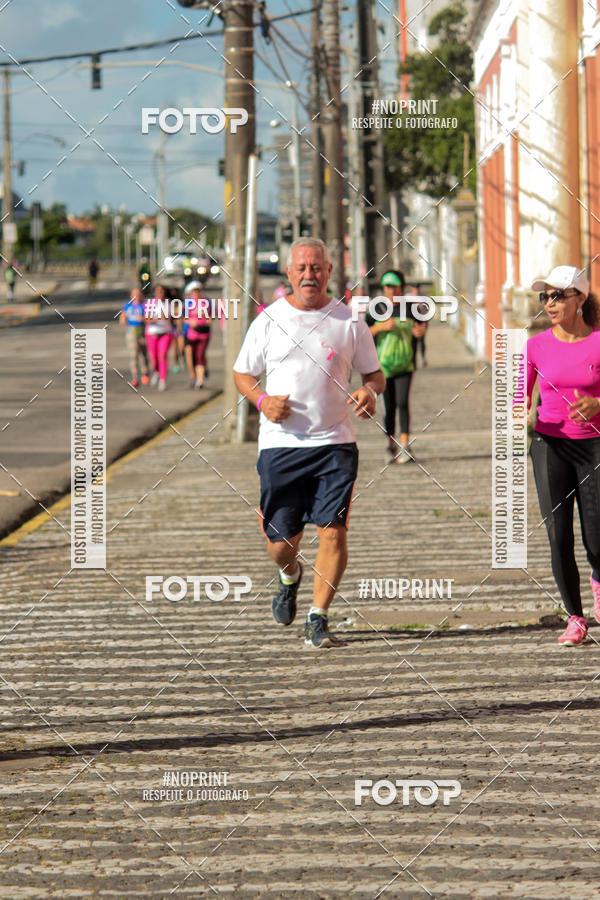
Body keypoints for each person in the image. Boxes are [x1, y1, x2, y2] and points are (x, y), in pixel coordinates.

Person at [233, 237, 385, 649]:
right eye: (301, 268)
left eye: (316, 268)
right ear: (288, 274)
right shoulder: (268, 320)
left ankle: (318, 618)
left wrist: (369, 393)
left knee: (333, 532)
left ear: (329, 273)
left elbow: (374, 374)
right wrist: (262, 401)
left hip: (335, 443)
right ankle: (289, 575)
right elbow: (243, 374)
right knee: (281, 544)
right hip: (280, 445)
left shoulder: (349, 320)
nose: (309, 275)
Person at [526, 265, 600, 646]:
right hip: (549, 445)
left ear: (580, 299)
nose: (550, 303)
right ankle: (575, 617)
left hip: (594, 446)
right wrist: (514, 412)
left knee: (597, 535)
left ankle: (599, 579)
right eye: (545, 296)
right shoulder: (536, 345)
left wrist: (598, 402)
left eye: (558, 295)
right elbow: (517, 396)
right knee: (558, 535)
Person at [366, 269, 426, 464]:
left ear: (401, 287)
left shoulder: (410, 308)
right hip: (382, 366)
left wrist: (420, 332)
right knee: (389, 405)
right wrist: (380, 327)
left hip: (406, 364)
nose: (391, 290)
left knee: (402, 402)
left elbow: (421, 328)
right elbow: (364, 333)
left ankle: (405, 445)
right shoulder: (376, 309)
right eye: (387, 286)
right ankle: (390, 444)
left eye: (394, 286)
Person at [144, 284, 173, 391]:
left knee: (163, 355)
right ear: (155, 292)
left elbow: (172, 316)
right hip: (152, 333)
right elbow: (146, 319)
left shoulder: (169, 303)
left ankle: (162, 380)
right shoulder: (150, 303)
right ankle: (156, 372)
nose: (160, 293)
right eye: (158, 291)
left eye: (162, 291)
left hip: (166, 333)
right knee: (154, 358)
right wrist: (155, 319)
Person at [120, 288, 150, 388]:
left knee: (143, 354)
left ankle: (145, 372)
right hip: (132, 332)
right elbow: (122, 318)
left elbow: (150, 318)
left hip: (143, 332)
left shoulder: (145, 305)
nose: (136, 296)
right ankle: (135, 378)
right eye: (134, 294)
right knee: (133, 355)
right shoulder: (127, 306)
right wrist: (124, 320)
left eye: (138, 294)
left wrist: (144, 319)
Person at [185, 285, 211, 389]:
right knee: (193, 356)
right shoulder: (188, 303)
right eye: (194, 291)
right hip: (191, 334)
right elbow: (181, 316)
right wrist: (190, 321)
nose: (196, 293)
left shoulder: (206, 302)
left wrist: (205, 321)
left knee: (200, 355)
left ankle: (199, 381)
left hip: (204, 333)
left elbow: (211, 318)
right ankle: (194, 376)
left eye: (198, 291)